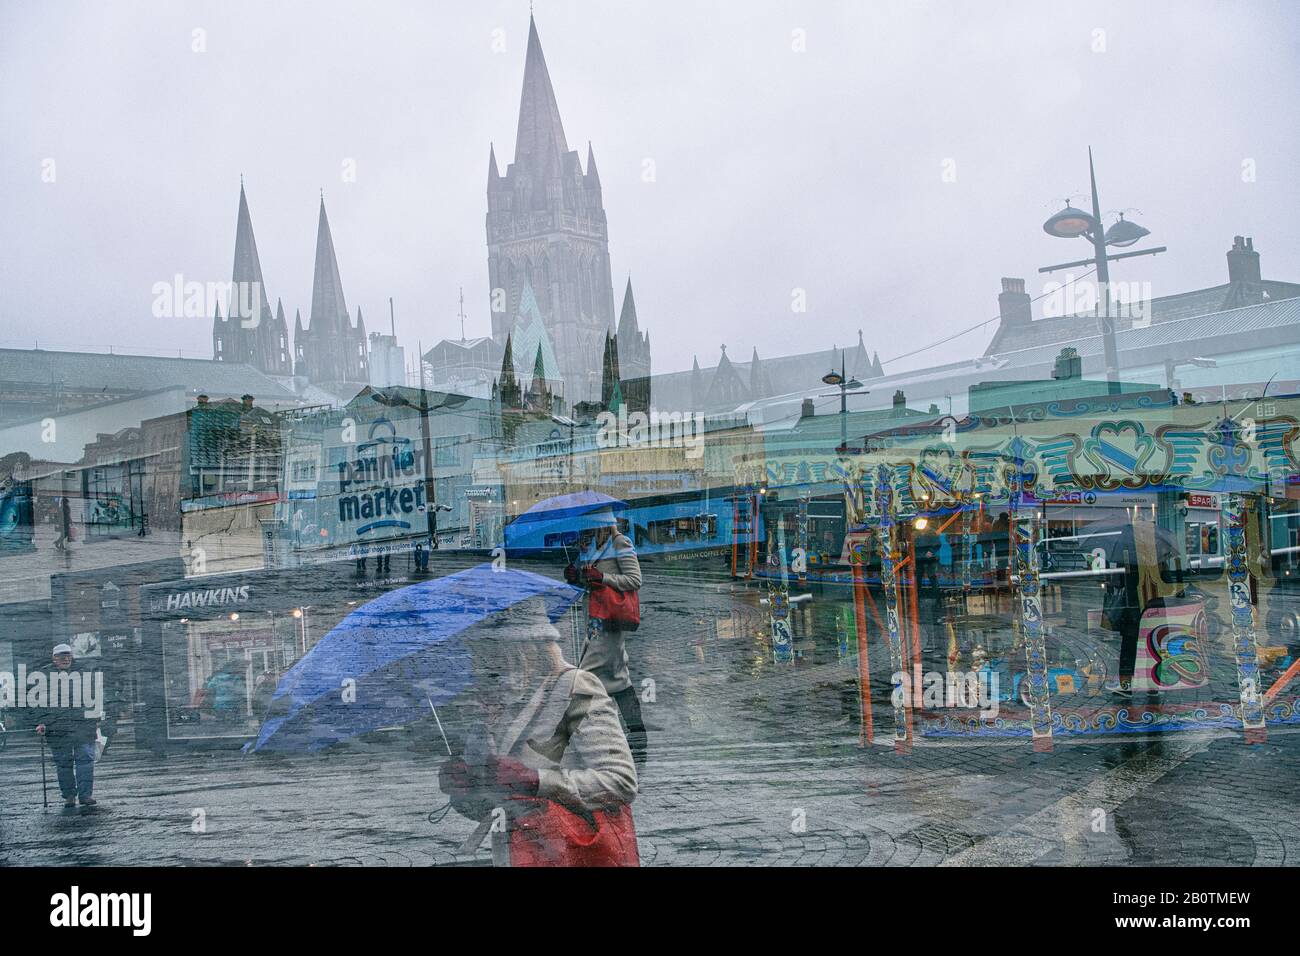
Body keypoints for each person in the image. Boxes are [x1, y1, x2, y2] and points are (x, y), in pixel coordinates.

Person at [439, 597, 638, 866]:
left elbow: (621, 781)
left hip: (573, 853)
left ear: (528, 647)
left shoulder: (576, 688)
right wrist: (467, 788)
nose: (485, 664)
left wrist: (537, 780)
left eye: (495, 652)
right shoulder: (501, 702)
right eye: (482, 653)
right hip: (520, 855)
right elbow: (500, 803)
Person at [564, 508, 647, 771]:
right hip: (596, 619)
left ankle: (562, 738)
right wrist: (577, 577)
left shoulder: (620, 543)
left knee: (584, 676)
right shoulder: (592, 546)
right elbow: (592, 584)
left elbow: (635, 579)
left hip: (610, 622)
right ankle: (637, 737)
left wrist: (603, 578)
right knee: (619, 679)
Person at [34, 643, 100, 812]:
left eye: (68, 656)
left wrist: (97, 717)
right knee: (63, 764)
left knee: (85, 760)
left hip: (82, 727)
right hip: (58, 728)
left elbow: (95, 696)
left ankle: (85, 795)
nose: (65, 659)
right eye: (61, 656)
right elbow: (37, 704)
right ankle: (69, 795)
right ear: (54, 658)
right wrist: (41, 722)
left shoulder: (84, 673)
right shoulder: (44, 676)